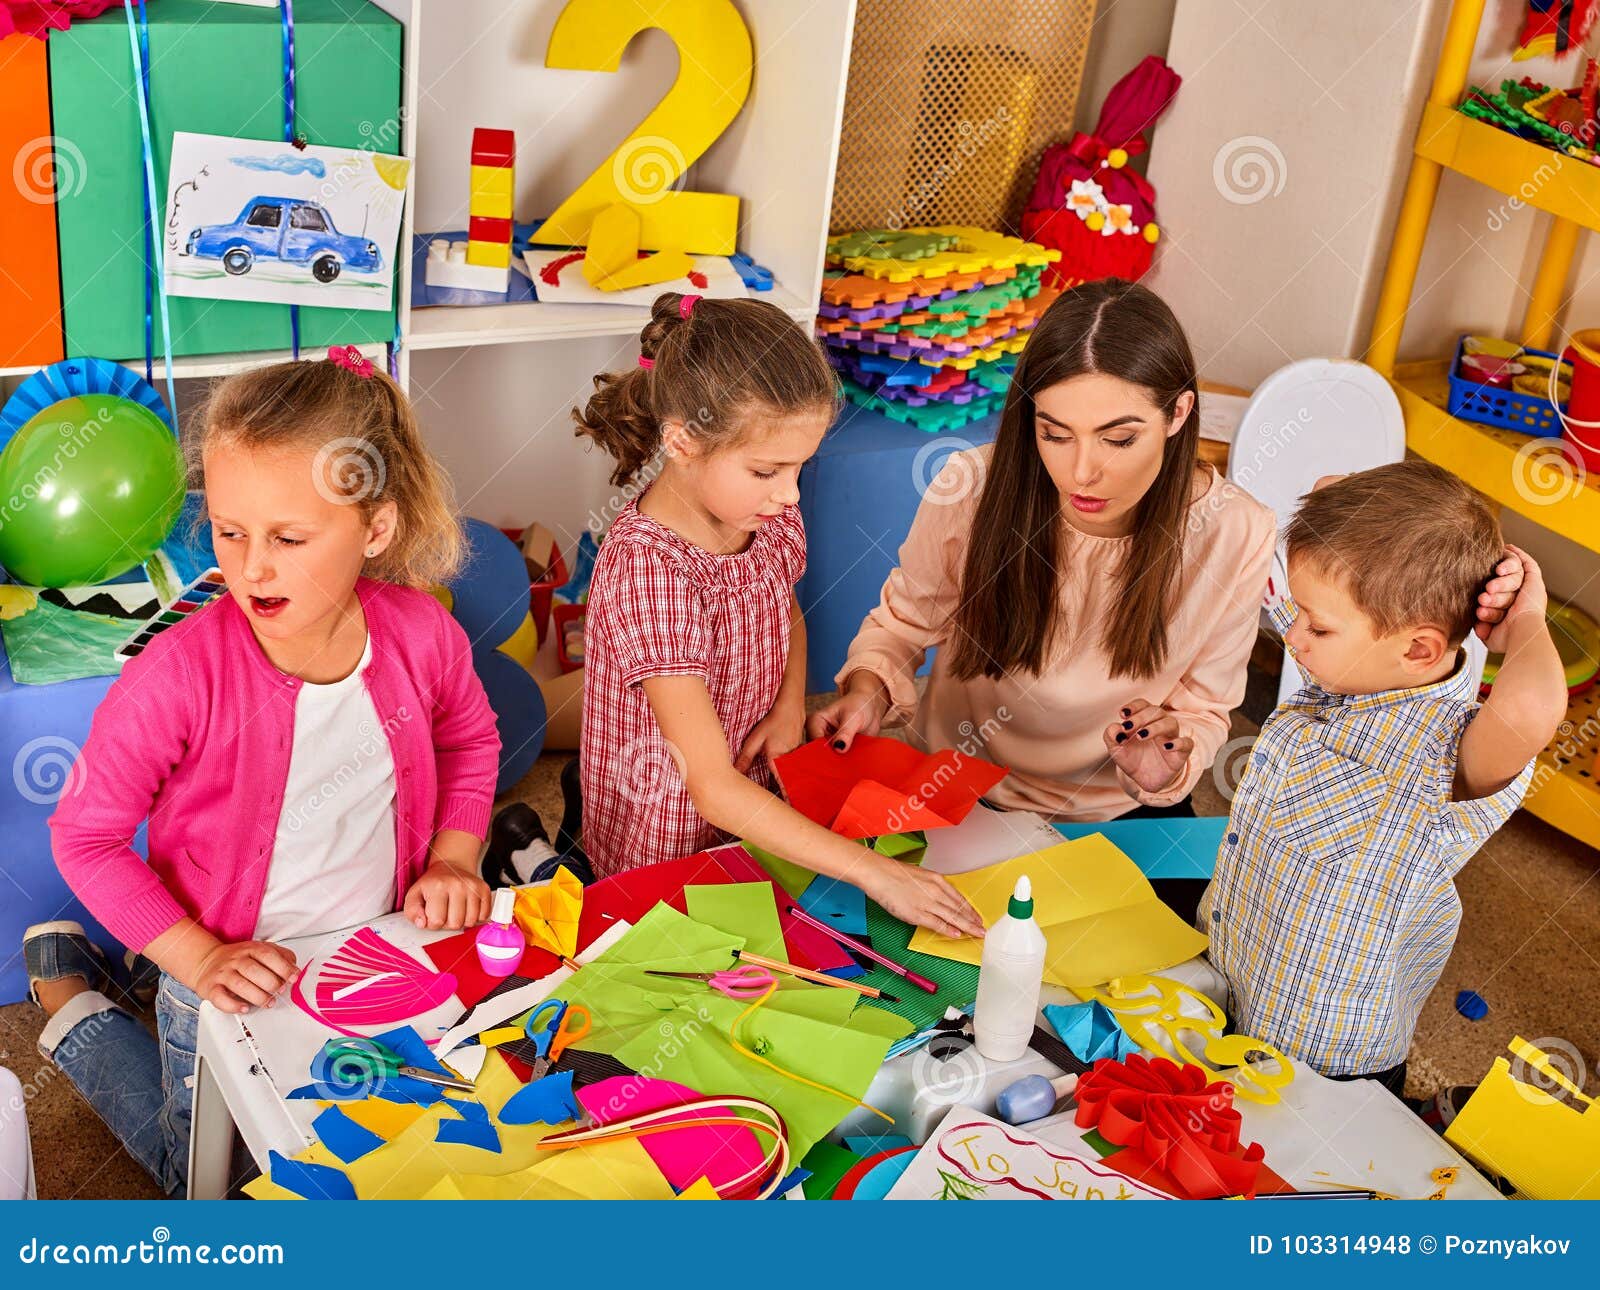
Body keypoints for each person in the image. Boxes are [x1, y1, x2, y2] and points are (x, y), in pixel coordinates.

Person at [27, 349, 500, 1196]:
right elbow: (85, 837)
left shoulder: (423, 635)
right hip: (220, 979)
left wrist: (458, 854)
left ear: (377, 530)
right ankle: (76, 1010)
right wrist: (196, 957)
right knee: (208, 1179)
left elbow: (469, 739)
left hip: (371, 948)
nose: (250, 568)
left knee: (378, 1150)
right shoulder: (179, 674)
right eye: (228, 530)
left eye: (288, 538)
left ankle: (115, 968)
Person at [811, 278, 1274, 920]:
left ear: (1178, 414)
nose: (1083, 471)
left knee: (1176, 990)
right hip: (954, 790)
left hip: (1112, 816)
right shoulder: (971, 486)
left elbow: (1204, 706)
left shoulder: (1235, 530)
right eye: (1054, 433)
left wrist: (1165, 763)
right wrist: (866, 690)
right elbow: (900, 625)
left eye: (1118, 439)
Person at [574, 292, 983, 939]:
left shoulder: (762, 512)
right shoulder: (651, 573)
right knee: (678, 964)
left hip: (752, 798)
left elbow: (783, 608)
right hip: (667, 831)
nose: (790, 492)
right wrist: (876, 874)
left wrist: (789, 706)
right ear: (681, 441)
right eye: (767, 469)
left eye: (799, 466)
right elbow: (707, 786)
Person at [1200, 462, 1562, 1096]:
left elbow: (1533, 707)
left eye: (1316, 625)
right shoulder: (1356, 669)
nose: (1294, 635)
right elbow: (1332, 488)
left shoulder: (1452, 753)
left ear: (1419, 649)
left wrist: (1526, 620)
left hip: (1321, 1057)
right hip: (1229, 970)